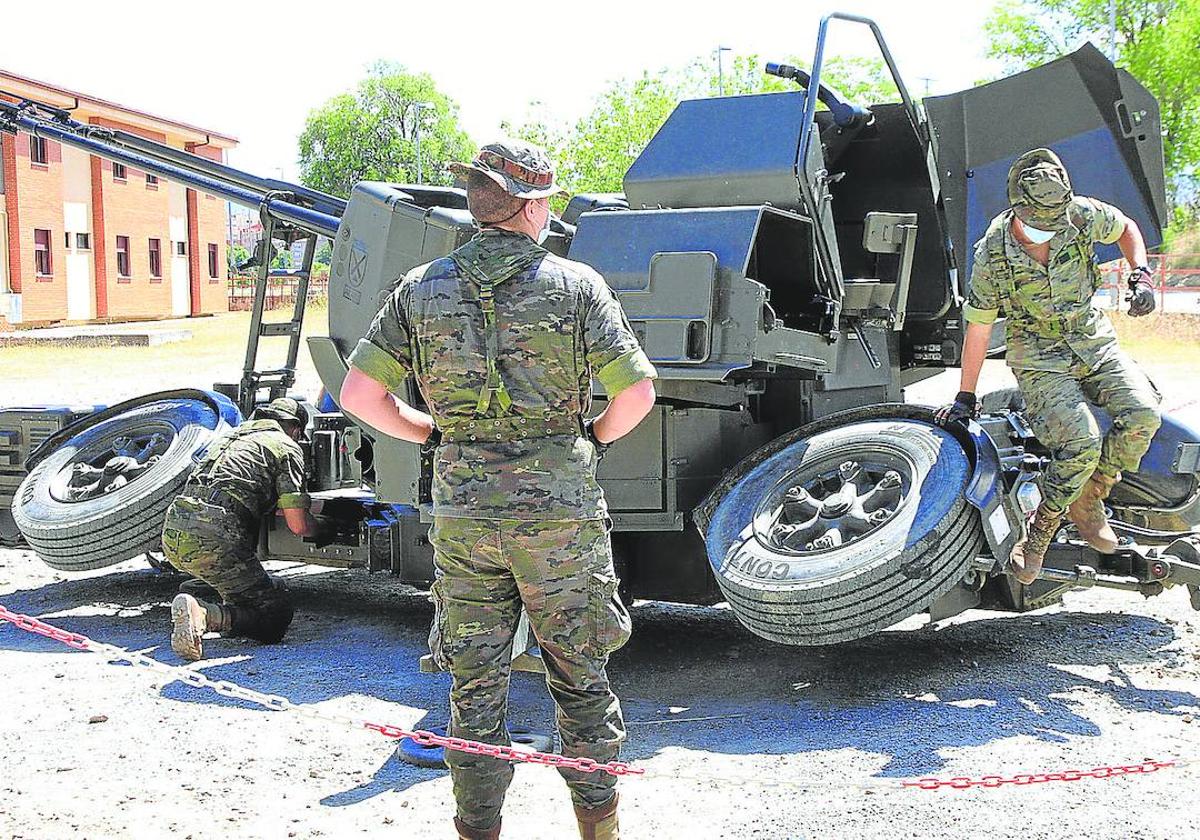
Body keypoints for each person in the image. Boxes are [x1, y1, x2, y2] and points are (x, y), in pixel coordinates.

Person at [339, 140, 657, 840]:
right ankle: (599, 829)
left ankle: (477, 829)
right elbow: (635, 392)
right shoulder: (576, 286)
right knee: (580, 677)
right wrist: (590, 441)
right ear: (534, 206)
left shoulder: (420, 288)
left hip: (464, 514)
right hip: (559, 516)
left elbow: (359, 393)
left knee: (474, 684)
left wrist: (429, 433)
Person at [937, 148, 1161, 584]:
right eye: (1041, 223)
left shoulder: (1079, 214)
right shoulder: (991, 255)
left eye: (1056, 221)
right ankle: (1038, 533)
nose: (1051, 230)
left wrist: (1141, 274)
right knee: (1080, 442)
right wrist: (965, 394)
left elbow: (1127, 228)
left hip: (1092, 339)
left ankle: (1090, 496)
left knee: (1143, 415)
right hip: (1038, 354)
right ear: (1018, 210)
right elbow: (979, 328)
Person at [162, 397, 322, 661]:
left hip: (175, 531)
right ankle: (204, 614)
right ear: (294, 428)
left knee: (240, 586)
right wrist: (325, 529)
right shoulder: (286, 445)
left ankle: (209, 605)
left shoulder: (229, 438)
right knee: (275, 615)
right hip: (214, 538)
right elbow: (298, 524)